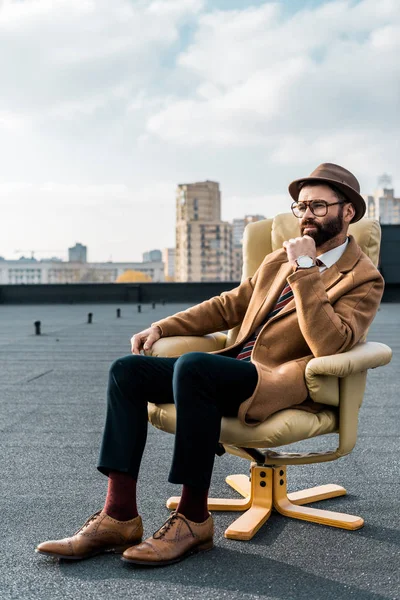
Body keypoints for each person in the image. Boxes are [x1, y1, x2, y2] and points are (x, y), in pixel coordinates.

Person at [36, 163, 384, 567]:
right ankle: (118, 517)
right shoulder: (278, 260)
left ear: (348, 212)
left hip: (277, 379)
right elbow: (228, 306)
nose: (306, 215)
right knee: (126, 372)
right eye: (301, 205)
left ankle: (193, 519)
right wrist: (162, 326)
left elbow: (329, 344)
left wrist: (306, 270)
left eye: (319, 206)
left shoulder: (363, 278)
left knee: (194, 368)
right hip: (231, 367)